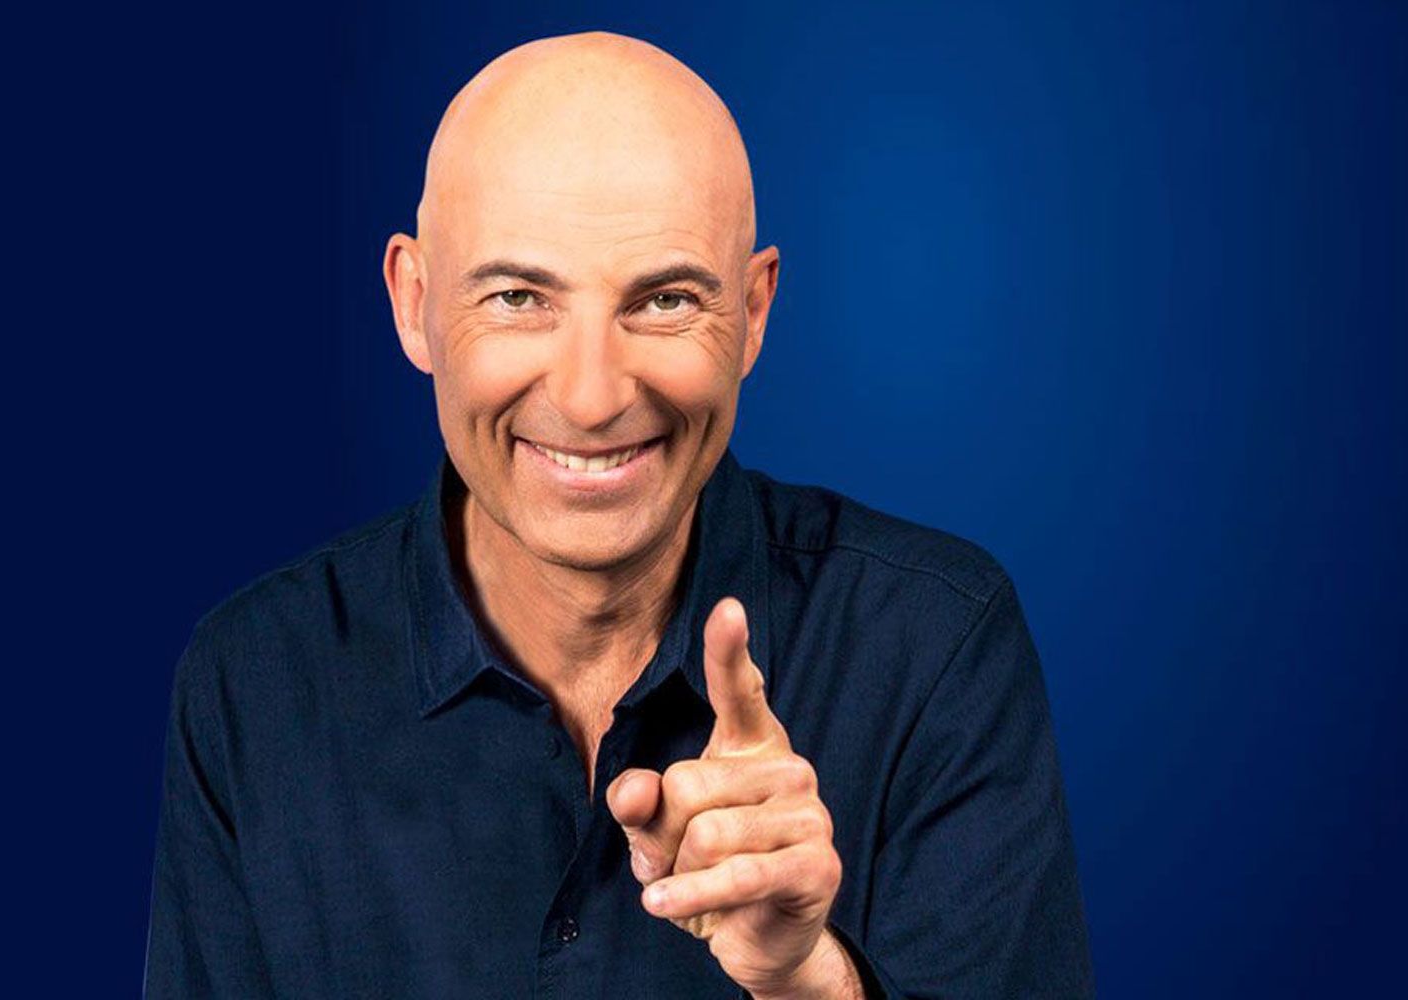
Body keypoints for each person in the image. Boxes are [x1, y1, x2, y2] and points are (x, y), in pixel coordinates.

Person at [144, 30, 1094, 999]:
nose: (592, 396)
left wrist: (809, 981)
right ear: (412, 301)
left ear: (754, 313)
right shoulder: (252, 683)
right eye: (518, 297)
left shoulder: (933, 645)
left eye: (665, 300)